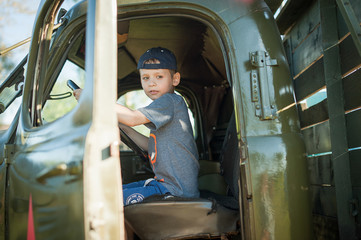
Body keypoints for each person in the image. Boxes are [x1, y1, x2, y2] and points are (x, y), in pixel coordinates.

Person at [73, 47, 200, 205]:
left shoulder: (170, 101)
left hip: (175, 192)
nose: (151, 83)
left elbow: (133, 118)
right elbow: (150, 145)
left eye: (159, 76)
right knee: (113, 192)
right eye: (145, 78)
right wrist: (120, 125)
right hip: (164, 186)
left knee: (104, 200)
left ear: (175, 79)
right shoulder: (165, 109)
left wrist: (92, 99)